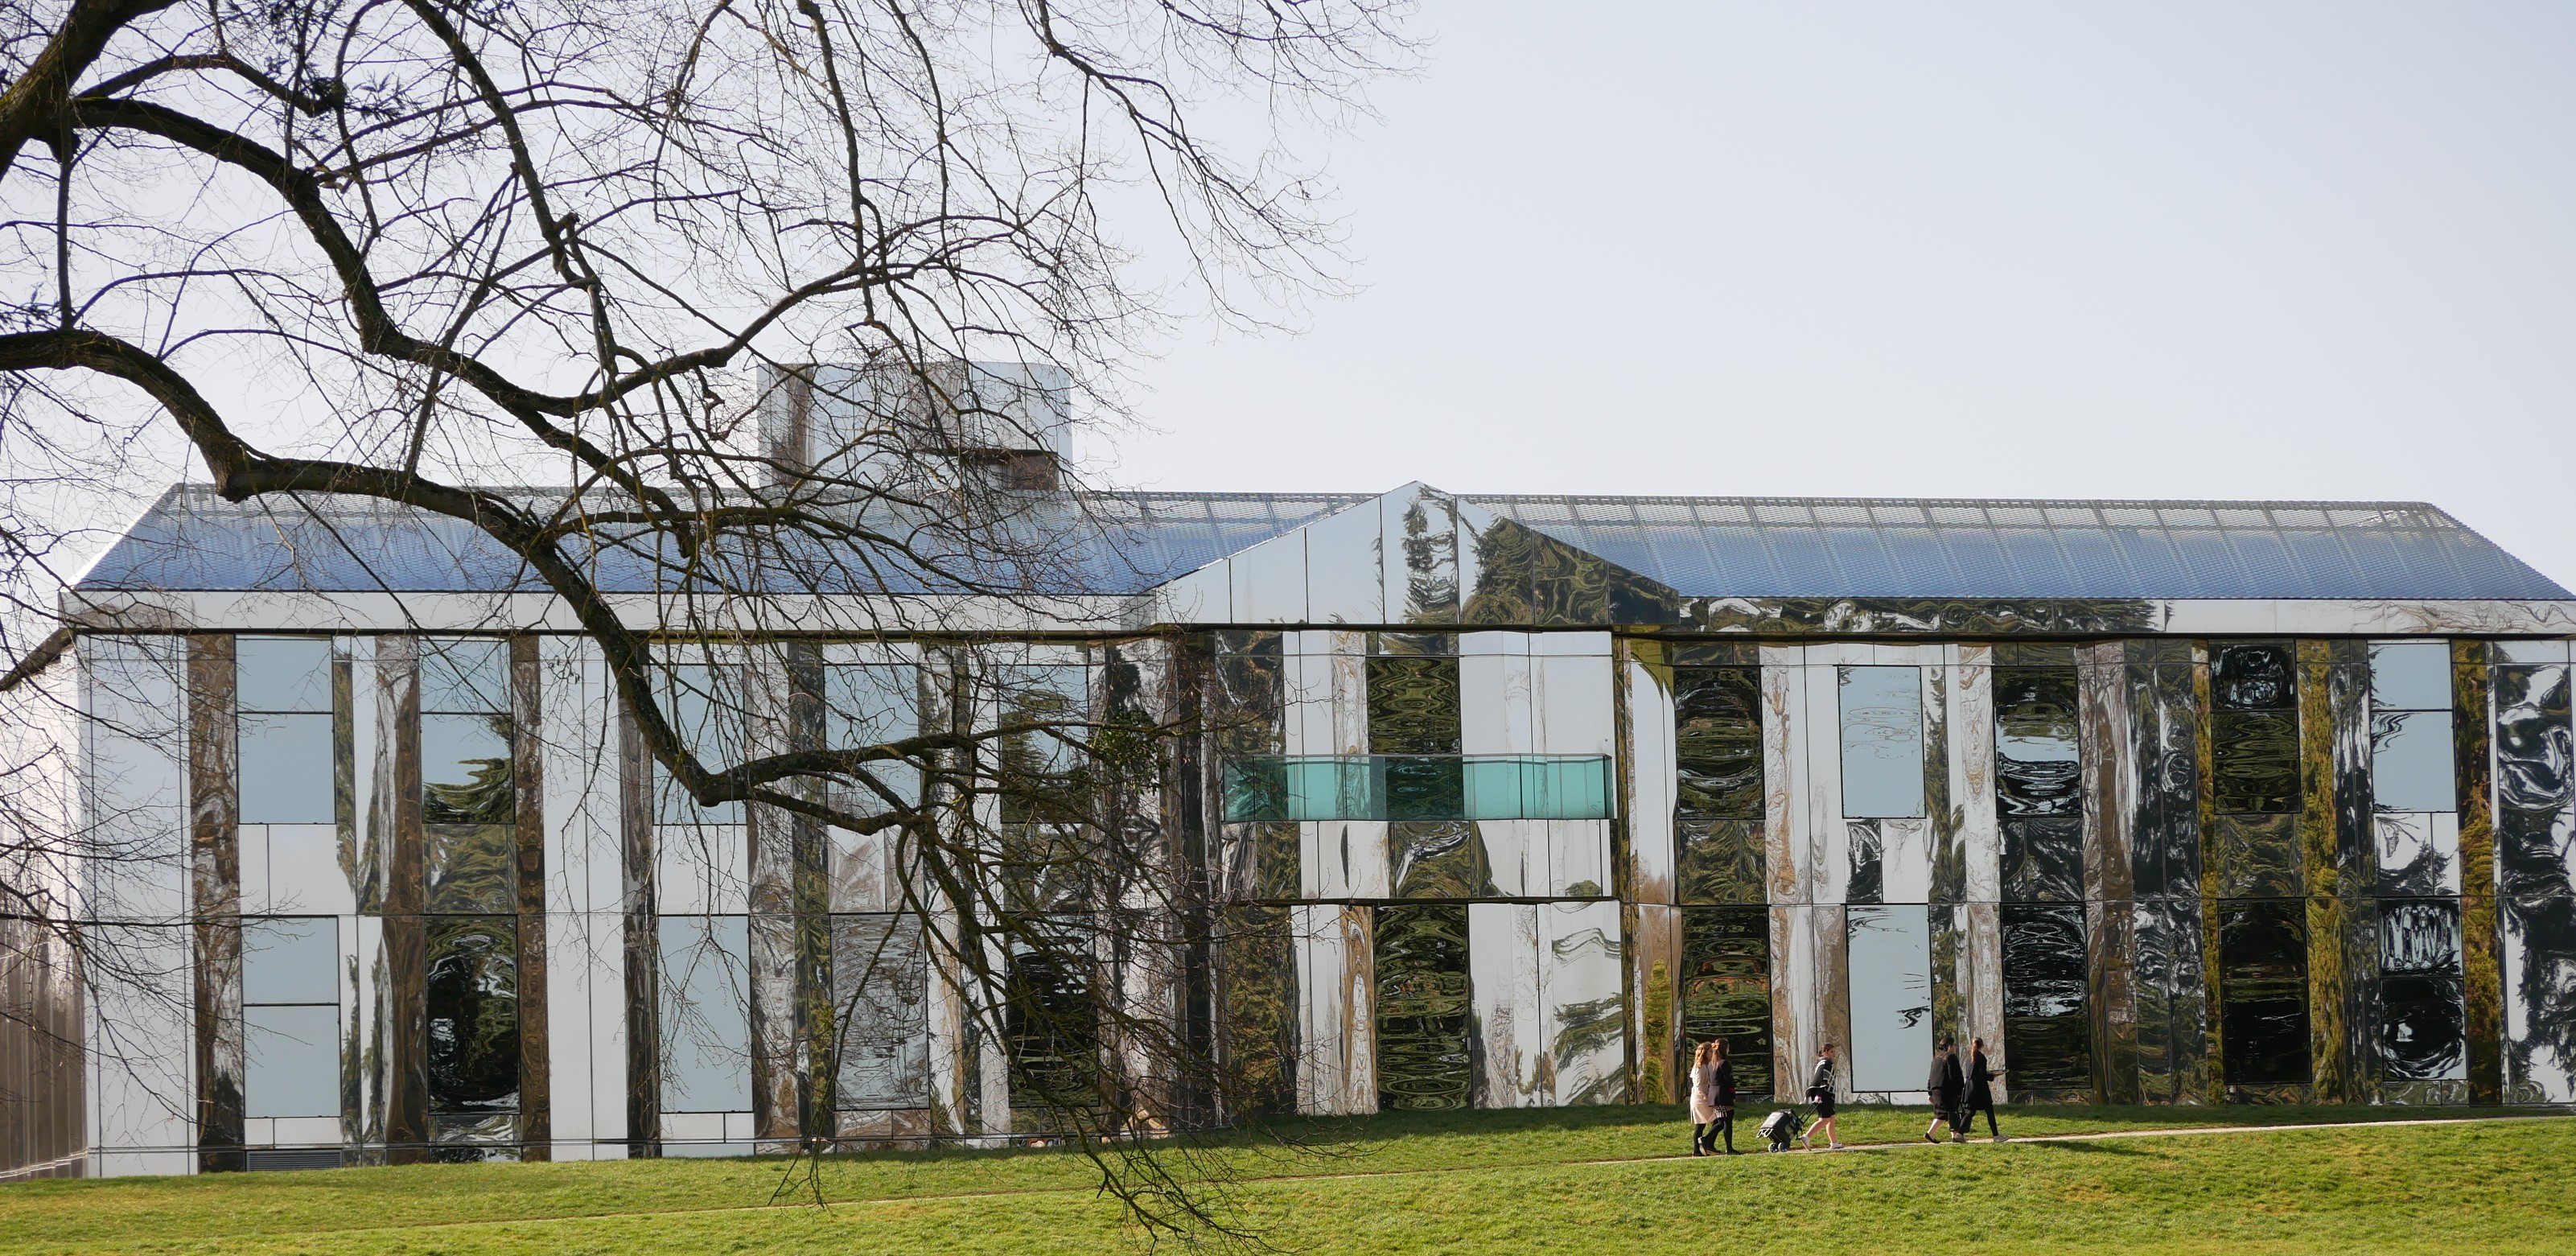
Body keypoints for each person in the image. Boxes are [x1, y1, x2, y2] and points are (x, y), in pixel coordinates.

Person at [1800, 1042, 1844, 1151]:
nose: (1834, 1054)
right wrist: (1819, 1095)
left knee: (1831, 1119)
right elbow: (1821, 1080)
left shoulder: (1823, 1062)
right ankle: (1807, 1137)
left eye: (1834, 1052)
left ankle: (1834, 1143)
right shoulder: (1826, 1063)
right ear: (1825, 1052)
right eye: (1831, 1052)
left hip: (1826, 1094)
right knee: (1824, 1119)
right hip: (1823, 1094)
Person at [1965, 1036, 2007, 1142]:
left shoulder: (1969, 1058)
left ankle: (1959, 1134)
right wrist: (1992, 1075)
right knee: (1989, 1111)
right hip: (1980, 1090)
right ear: (1982, 1045)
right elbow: (1982, 1075)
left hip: (1970, 1088)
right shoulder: (1981, 1058)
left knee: (1971, 1112)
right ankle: (1996, 1136)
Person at [1924, 1036, 1966, 1143]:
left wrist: (1930, 1092)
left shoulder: (1936, 1059)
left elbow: (1931, 1076)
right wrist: (1959, 1090)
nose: (1956, 1047)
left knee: (1951, 1112)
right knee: (1944, 1113)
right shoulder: (1950, 1057)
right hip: (1947, 1089)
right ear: (1950, 1046)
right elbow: (1954, 1075)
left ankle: (1955, 1137)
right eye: (1954, 1045)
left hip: (1936, 1089)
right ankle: (1930, 1133)